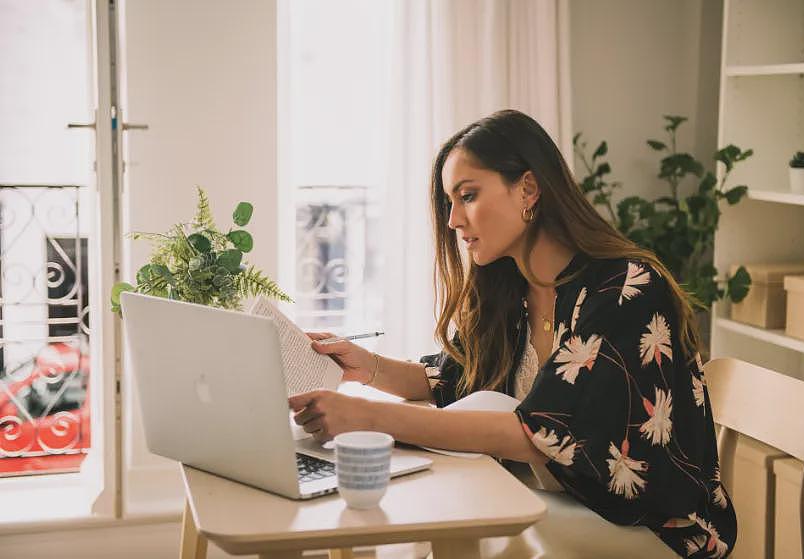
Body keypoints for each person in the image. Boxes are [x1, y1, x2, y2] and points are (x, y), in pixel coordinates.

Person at [288, 109, 736, 558]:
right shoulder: (514, 289)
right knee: (445, 505)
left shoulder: (625, 288)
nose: (453, 221)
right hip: (563, 502)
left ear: (527, 188)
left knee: (466, 519)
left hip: (654, 528)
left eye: (467, 196)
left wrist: (368, 418)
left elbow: (539, 434)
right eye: (450, 202)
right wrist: (366, 368)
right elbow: (453, 379)